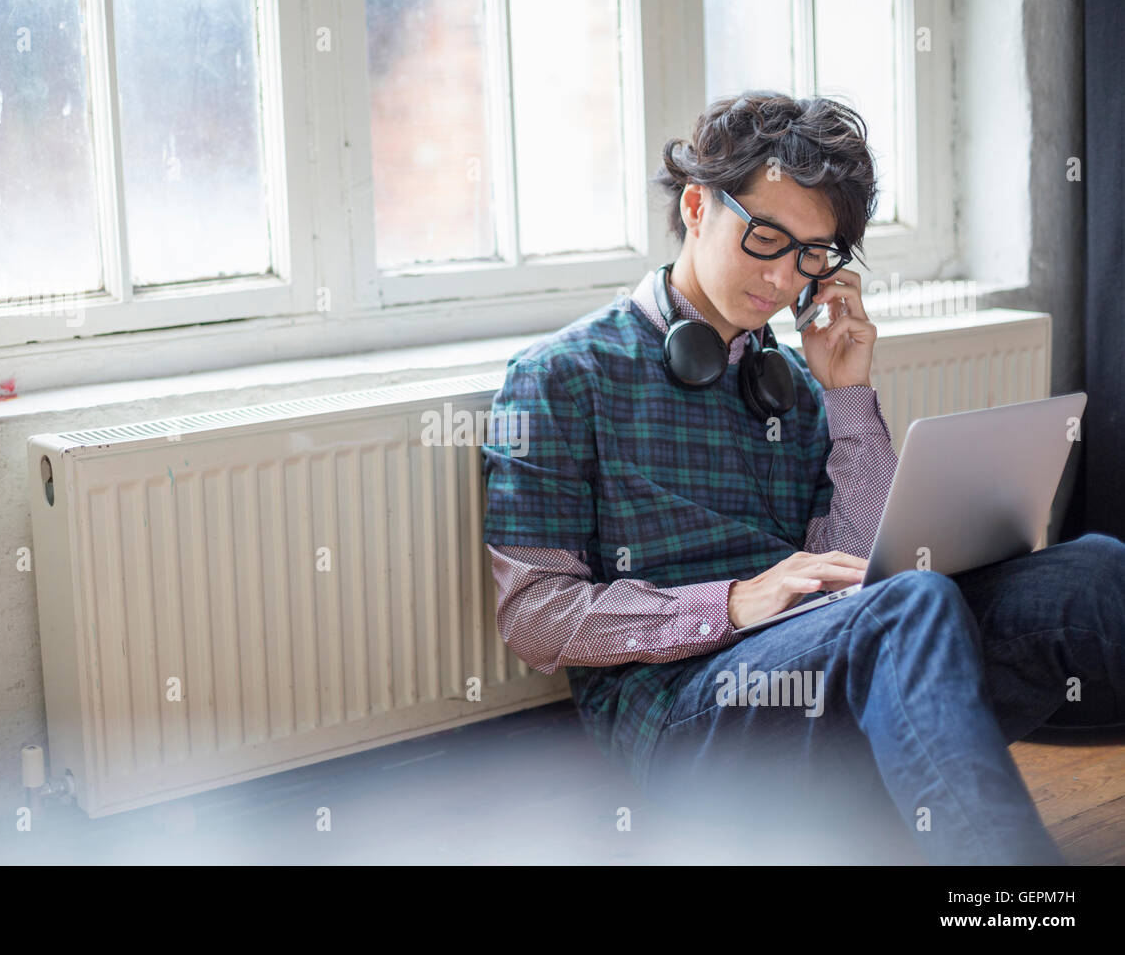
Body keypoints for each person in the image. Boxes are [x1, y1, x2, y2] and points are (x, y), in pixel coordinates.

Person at [480, 90, 1125, 865]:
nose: (786, 280)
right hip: (681, 713)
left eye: (812, 255)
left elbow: (861, 567)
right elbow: (534, 615)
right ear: (695, 205)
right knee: (910, 608)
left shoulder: (789, 379)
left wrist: (848, 394)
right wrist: (734, 602)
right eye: (766, 238)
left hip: (830, 655)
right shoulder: (561, 376)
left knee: (1095, 570)